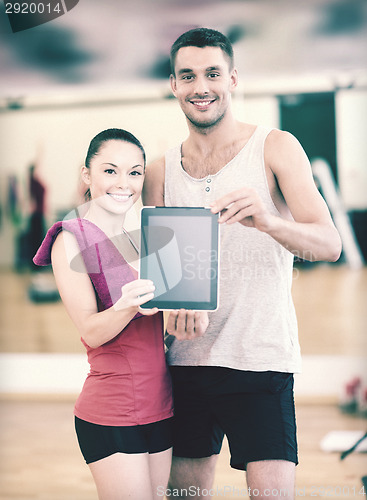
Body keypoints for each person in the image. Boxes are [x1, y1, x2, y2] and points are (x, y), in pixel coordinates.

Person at [143, 28, 342, 499]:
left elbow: (329, 245)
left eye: (212, 73)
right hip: (185, 366)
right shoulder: (159, 170)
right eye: (187, 76)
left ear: (232, 78)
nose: (201, 86)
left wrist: (270, 222)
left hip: (259, 359)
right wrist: (169, 305)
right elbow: (161, 275)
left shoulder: (276, 147)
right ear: (174, 85)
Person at [33, 128, 178, 500]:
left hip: (161, 406)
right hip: (112, 410)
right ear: (88, 175)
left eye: (135, 172)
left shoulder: (140, 238)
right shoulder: (71, 237)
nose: (124, 183)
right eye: (110, 171)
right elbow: (91, 331)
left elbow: (155, 334)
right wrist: (128, 305)